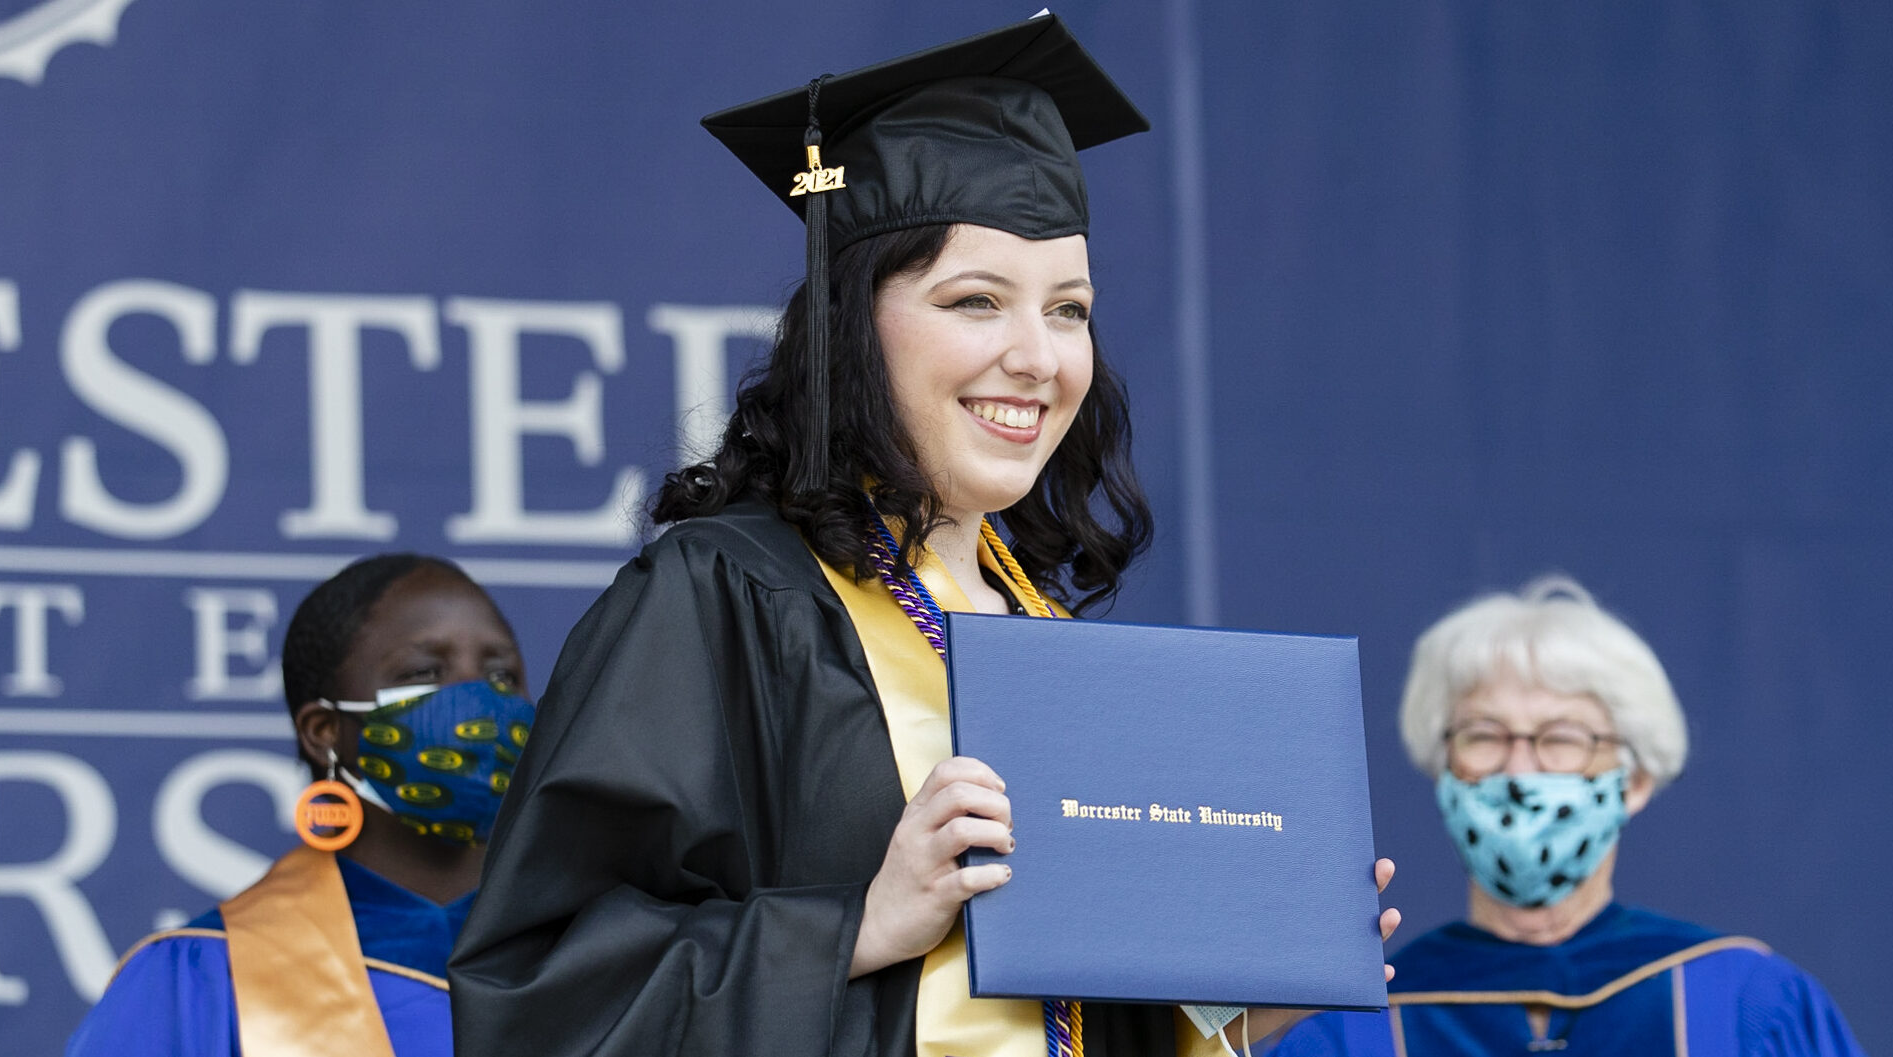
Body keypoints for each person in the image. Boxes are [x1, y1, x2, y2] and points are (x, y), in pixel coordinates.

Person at [449, 15, 1395, 1057]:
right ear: (853, 324)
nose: (1036, 357)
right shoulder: (718, 600)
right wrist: (853, 927)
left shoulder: (1042, 630)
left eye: (1069, 310)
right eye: (975, 300)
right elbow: (534, 1001)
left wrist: (1219, 1019)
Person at [1271, 576, 1864, 1057]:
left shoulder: (1743, 1001)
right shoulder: (1356, 1031)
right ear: (1443, 767)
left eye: (1562, 738)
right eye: (1484, 735)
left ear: (1633, 779)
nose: (1520, 770)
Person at [66, 554, 534, 1057]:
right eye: (423, 672)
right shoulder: (203, 977)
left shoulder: (590, 956)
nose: (476, 699)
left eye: (502, 676)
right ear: (324, 732)